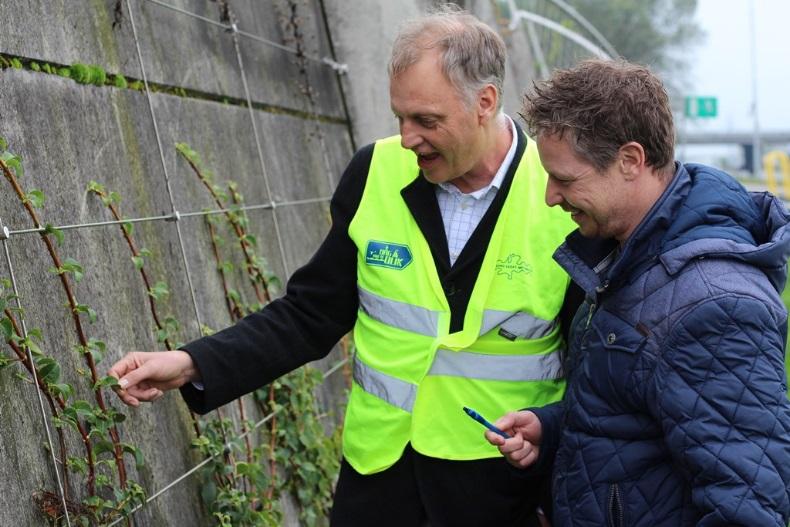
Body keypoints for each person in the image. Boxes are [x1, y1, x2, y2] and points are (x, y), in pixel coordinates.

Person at [109, 6, 580, 525]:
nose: (407, 138)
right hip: (377, 485)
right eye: (400, 117)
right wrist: (191, 363)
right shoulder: (373, 172)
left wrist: (549, 430)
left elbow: (598, 368)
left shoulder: (563, 198)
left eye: (427, 120)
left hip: (499, 495)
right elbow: (309, 314)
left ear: (485, 103)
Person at [485, 58, 790, 526]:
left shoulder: (713, 305)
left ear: (630, 160)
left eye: (565, 179)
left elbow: (747, 507)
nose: (550, 196)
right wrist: (554, 426)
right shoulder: (630, 254)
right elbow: (644, 403)